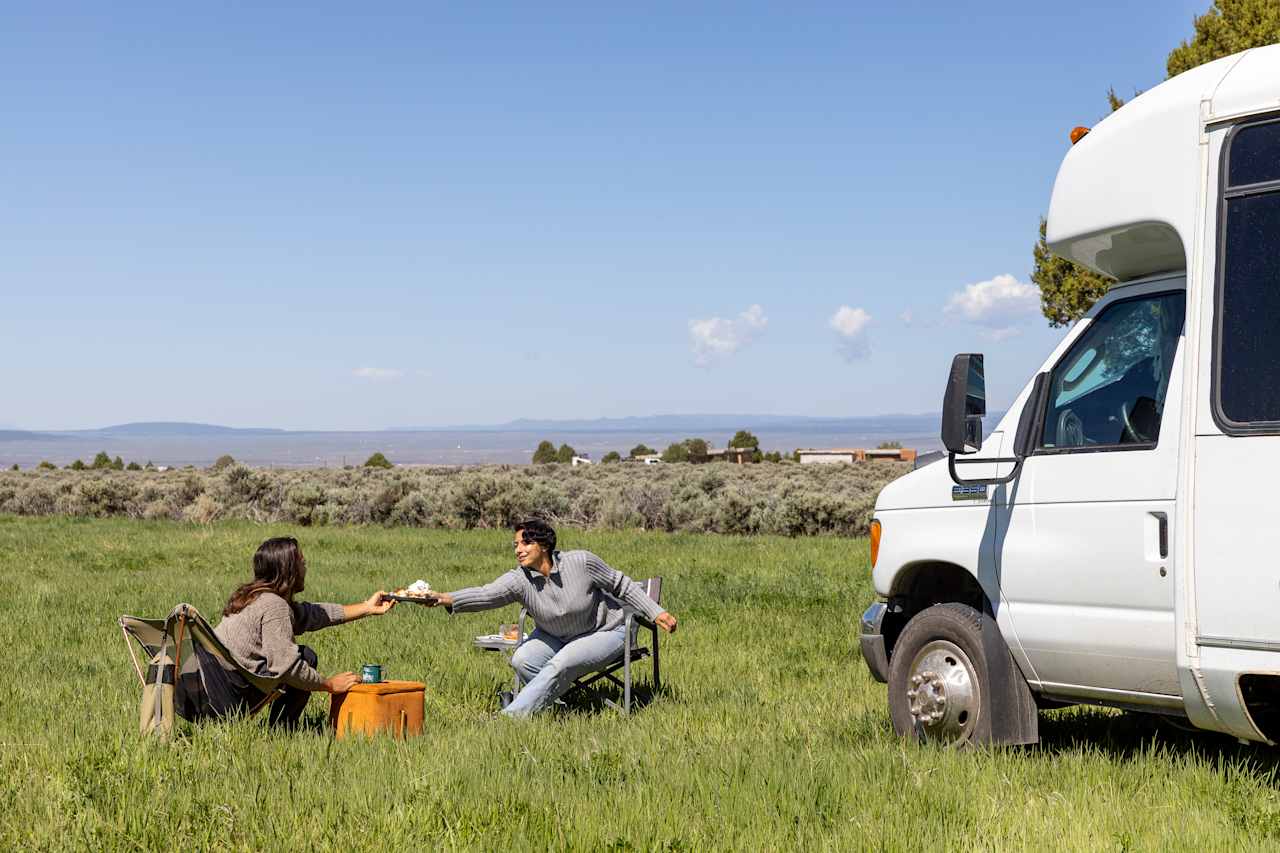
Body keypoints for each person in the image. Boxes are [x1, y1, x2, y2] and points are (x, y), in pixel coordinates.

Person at [423, 518, 677, 717]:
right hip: (558, 636)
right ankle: (560, 708)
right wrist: (445, 598)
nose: (518, 551)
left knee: (562, 662)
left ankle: (510, 718)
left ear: (543, 545)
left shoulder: (581, 562)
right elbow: (487, 594)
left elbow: (621, 585)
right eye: (516, 545)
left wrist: (656, 612)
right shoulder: (519, 579)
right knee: (522, 660)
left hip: (608, 631)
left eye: (525, 544)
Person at [214, 536, 395, 727]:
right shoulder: (274, 606)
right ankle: (281, 731)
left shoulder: (253, 597)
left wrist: (367, 607)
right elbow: (287, 667)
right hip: (230, 693)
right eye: (302, 562)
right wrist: (330, 685)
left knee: (302, 657)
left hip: (210, 685)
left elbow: (312, 614)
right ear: (289, 570)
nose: (305, 567)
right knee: (305, 657)